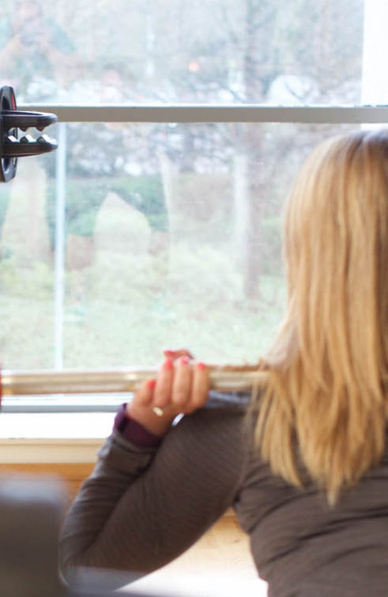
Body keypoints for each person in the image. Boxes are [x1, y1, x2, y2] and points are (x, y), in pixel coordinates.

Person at [60, 129, 388, 596]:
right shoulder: (245, 415)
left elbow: (75, 570)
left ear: (304, 248)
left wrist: (139, 431)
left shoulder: (246, 419)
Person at [0, 0, 76, 100]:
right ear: (15, 14)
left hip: (49, 99)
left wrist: (49, 49)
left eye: (37, 18)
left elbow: (77, 70)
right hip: (4, 101)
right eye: (28, 20)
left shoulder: (52, 31)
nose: (32, 26)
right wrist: (9, 52)